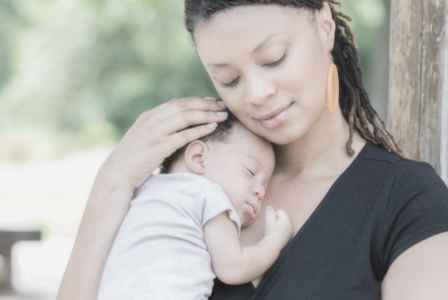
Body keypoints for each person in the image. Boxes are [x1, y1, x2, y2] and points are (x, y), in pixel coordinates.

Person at [57, 1, 448, 299]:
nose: (257, 93)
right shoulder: (192, 183)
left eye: (274, 59)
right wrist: (114, 180)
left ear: (325, 26)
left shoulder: (407, 199)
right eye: (229, 79)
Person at [97, 112, 292, 300]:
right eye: (250, 171)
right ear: (198, 158)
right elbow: (233, 267)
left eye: (265, 184)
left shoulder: (141, 191)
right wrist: (275, 239)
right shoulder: (209, 195)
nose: (261, 192)